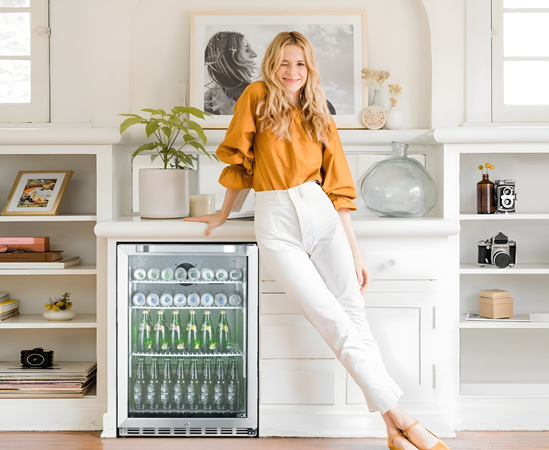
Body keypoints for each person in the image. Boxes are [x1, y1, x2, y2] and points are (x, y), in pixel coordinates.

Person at [185, 31, 449, 450]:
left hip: (321, 213)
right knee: (331, 320)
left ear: (310, 68)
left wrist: (355, 252)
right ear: (272, 64)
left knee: (355, 318)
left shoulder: (320, 110)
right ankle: (403, 418)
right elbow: (240, 162)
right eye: (284, 63)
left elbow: (338, 188)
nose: (292, 72)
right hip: (275, 221)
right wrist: (223, 213)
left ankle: (391, 432)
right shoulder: (255, 96)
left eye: (300, 64)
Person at [204, 31, 258, 115]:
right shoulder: (206, 105)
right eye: (246, 49)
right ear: (228, 58)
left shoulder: (268, 94)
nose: (254, 54)